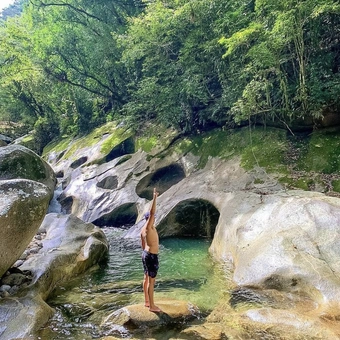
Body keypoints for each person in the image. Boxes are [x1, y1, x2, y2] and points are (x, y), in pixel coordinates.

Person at [140, 188, 162, 312]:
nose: (154, 219)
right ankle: (152, 306)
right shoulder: (149, 227)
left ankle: (147, 301)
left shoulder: (143, 230)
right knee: (151, 281)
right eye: (152, 218)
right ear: (149, 219)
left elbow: (143, 245)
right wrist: (154, 197)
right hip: (151, 255)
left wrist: (146, 255)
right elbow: (152, 212)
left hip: (145, 254)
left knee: (146, 278)